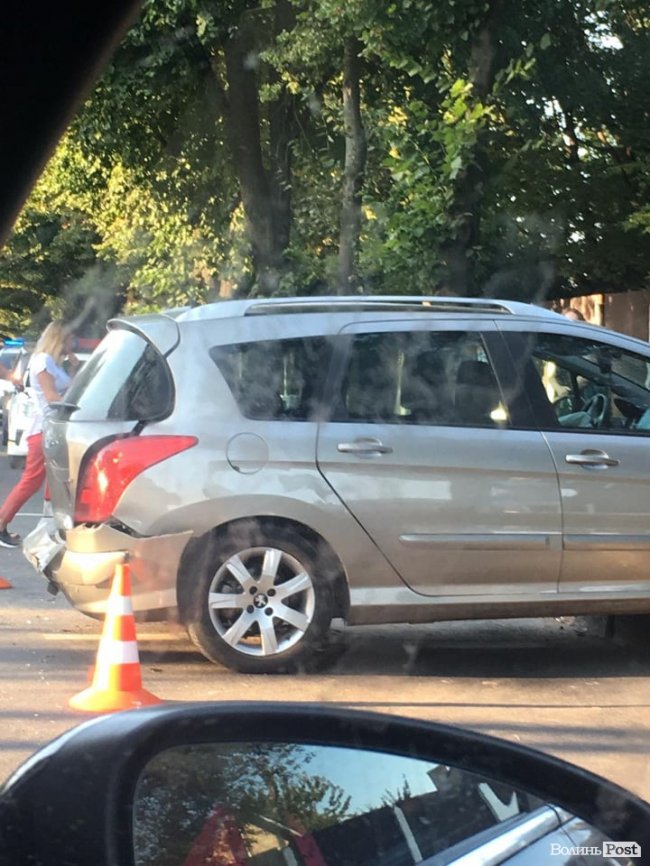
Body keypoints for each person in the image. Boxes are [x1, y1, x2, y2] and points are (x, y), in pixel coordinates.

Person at [0, 321, 78, 551]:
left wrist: (73, 368)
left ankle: (49, 525)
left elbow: (67, 389)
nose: (71, 344)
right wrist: (79, 405)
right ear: (59, 338)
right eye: (69, 339)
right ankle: (2, 523)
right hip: (43, 429)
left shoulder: (53, 362)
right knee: (31, 481)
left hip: (52, 429)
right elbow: (52, 397)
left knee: (55, 479)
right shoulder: (43, 360)